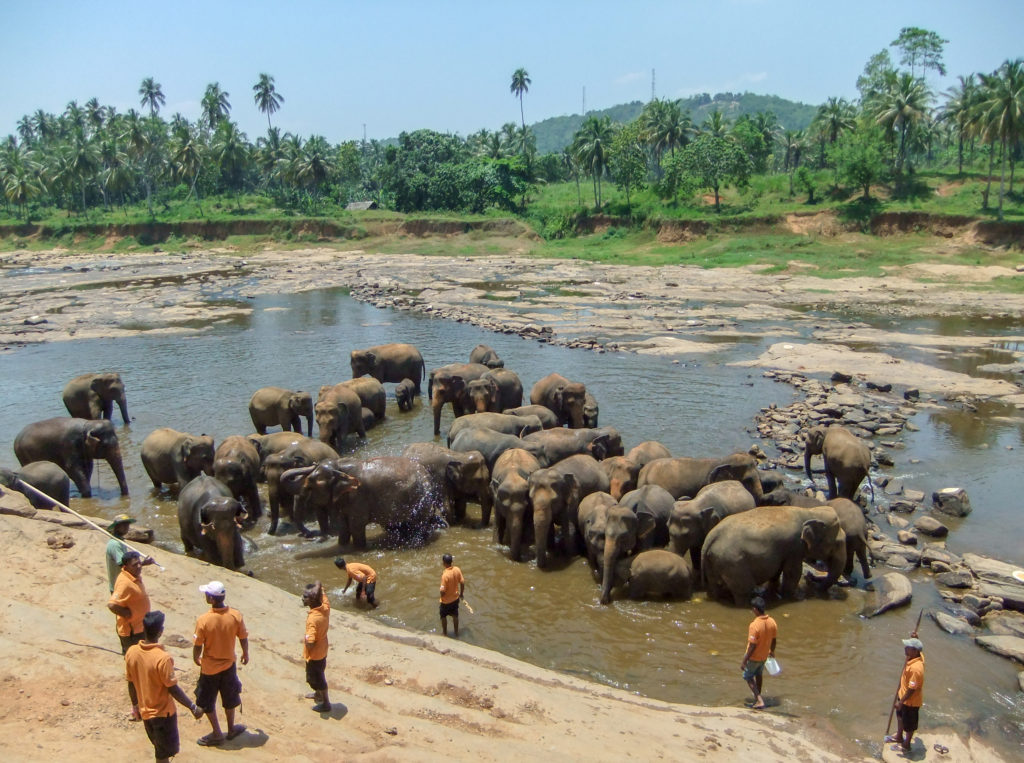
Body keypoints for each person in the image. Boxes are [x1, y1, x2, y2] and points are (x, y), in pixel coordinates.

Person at [125, 610, 204, 763]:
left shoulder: (132, 652)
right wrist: (193, 707)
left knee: (160, 749)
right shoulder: (162, 658)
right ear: (160, 632)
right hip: (162, 715)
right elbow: (172, 688)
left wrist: (135, 707)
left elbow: (131, 682)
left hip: (145, 712)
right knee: (162, 755)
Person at [192, 581, 249, 746]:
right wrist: (245, 653)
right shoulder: (235, 615)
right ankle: (231, 729)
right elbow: (243, 637)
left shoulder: (204, 620)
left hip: (210, 668)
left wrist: (196, 658)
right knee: (230, 697)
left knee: (207, 700)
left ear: (211, 599)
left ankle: (217, 733)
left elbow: (198, 645)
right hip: (229, 665)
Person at [107, 550, 151, 721]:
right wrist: (129, 615)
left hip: (140, 628)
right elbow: (112, 605)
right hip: (132, 632)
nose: (139, 567)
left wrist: (144, 564)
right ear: (125, 567)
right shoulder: (124, 583)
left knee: (143, 667)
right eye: (135, 565)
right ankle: (136, 709)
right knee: (134, 672)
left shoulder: (132, 575)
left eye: (140, 563)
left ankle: (143, 702)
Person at [887, 637, 925, 754]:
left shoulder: (916, 668)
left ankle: (906, 745)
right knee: (900, 717)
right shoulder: (915, 656)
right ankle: (899, 736)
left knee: (909, 724)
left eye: (908, 647)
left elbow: (912, 689)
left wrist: (901, 702)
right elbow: (921, 651)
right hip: (903, 696)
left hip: (910, 701)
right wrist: (915, 637)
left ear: (914, 651)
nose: (905, 648)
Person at [739, 596, 777, 710]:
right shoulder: (772, 622)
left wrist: (744, 660)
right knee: (759, 674)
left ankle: (759, 700)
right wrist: (772, 651)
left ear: (755, 609)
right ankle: (758, 696)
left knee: (748, 676)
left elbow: (752, 645)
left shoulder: (754, 625)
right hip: (764, 655)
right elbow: (774, 640)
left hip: (754, 657)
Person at [302, 581, 332, 712]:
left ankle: (326, 703)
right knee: (319, 673)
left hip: (315, 654)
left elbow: (311, 641)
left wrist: (306, 641)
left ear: (312, 600)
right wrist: (319, 587)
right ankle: (318, 694)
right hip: (323, 649)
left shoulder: (312, 619)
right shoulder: (325, 607)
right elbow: (323, 593)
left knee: (315, 679)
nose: (302, 598)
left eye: (305, 597)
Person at [105, 514, 154, 593]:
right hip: (119, 586)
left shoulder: (121, 541)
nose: (126, 527)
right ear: (117, 526)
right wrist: (143, 563)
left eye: (127, 524)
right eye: (123, 524)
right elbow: (125, 566)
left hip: (123, 583)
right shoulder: (115, 544)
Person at [438, 553, 465, 638]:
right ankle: (456, 633)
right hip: (455, 598)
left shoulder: (445, 575)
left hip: (446, 601)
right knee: (455, 615)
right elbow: (462, 582)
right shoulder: (457, 569)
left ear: (444, 563)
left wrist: (442, 595)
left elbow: (442, 590)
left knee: (443, 615)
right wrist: (461, 594)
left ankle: (445, 633)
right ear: (451, 562)